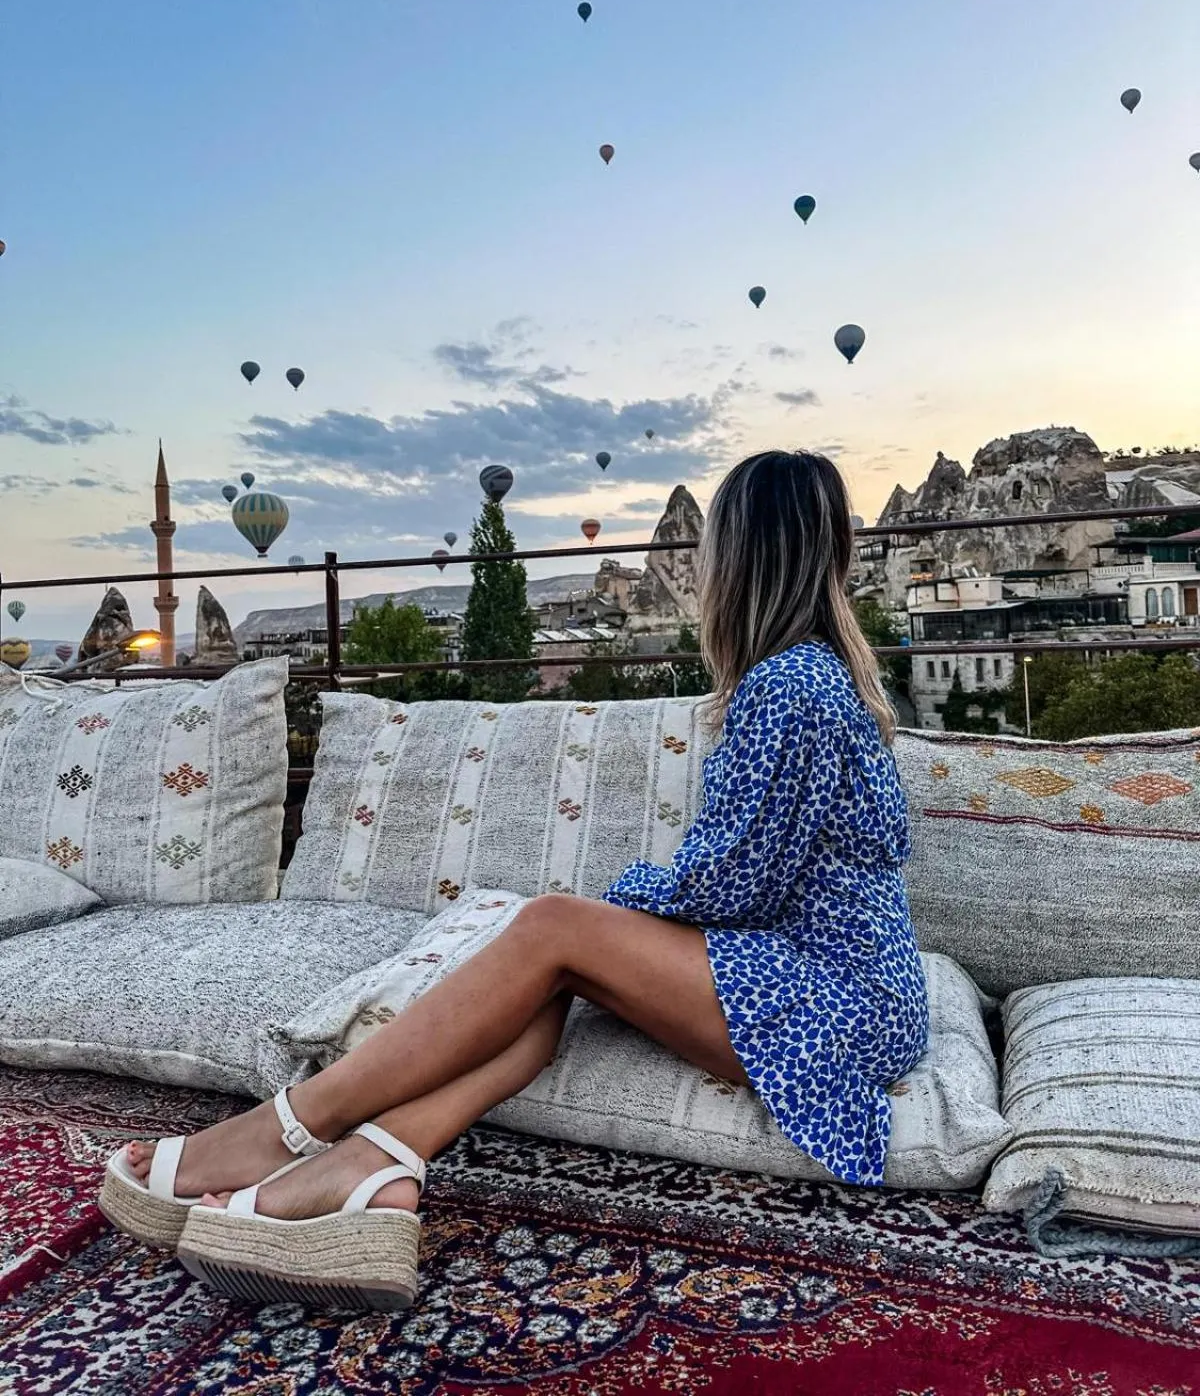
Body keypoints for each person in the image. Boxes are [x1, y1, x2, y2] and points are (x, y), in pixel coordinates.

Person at [102, 449, 929, 1311]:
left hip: (840, 1001)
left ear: (739, 557)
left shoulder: (790, 685)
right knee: (554, 966)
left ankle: (287, 1128)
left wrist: (614, 909)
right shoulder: (813, 675)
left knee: (553, 928)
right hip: (842, 980)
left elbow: (731, 885)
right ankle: (377, 1167)